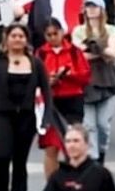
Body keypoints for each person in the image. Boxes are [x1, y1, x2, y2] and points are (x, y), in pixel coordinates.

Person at [0, 23, 53, 191]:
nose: (17, 39)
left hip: (27, 117)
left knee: (20, 162)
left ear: (26, 40)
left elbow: (46, 91)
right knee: (3, 156)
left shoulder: (36, 63)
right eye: (14, 36)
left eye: (21, 36)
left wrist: (47, 117)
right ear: (7, 39)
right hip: (1, 115)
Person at [36, 18, 91, 179]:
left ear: (62, 32)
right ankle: (52, 186)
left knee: (73, 145)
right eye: (49, 34)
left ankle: (75, 183)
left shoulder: (74, 51)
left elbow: (86, 76)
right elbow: (34, 78)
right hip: (49, 103)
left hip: (72, 100)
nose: (53, 37)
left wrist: (67, 75)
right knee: (51, 147)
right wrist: (48, 80)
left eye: (55, 33)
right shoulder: (40, 53)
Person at [71, 0, 115, 165]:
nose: (91, 10)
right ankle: (94, 160)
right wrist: (100, 51)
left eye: (95, 7)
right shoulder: (78, 30)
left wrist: (95, 48)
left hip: (107, 80)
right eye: (88, 7)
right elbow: (79, 54)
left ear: (102, 10)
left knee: (103, 125)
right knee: (89, 126)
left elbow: (113, 53)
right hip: (86, 82)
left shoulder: (111, 29)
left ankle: (102, 151)